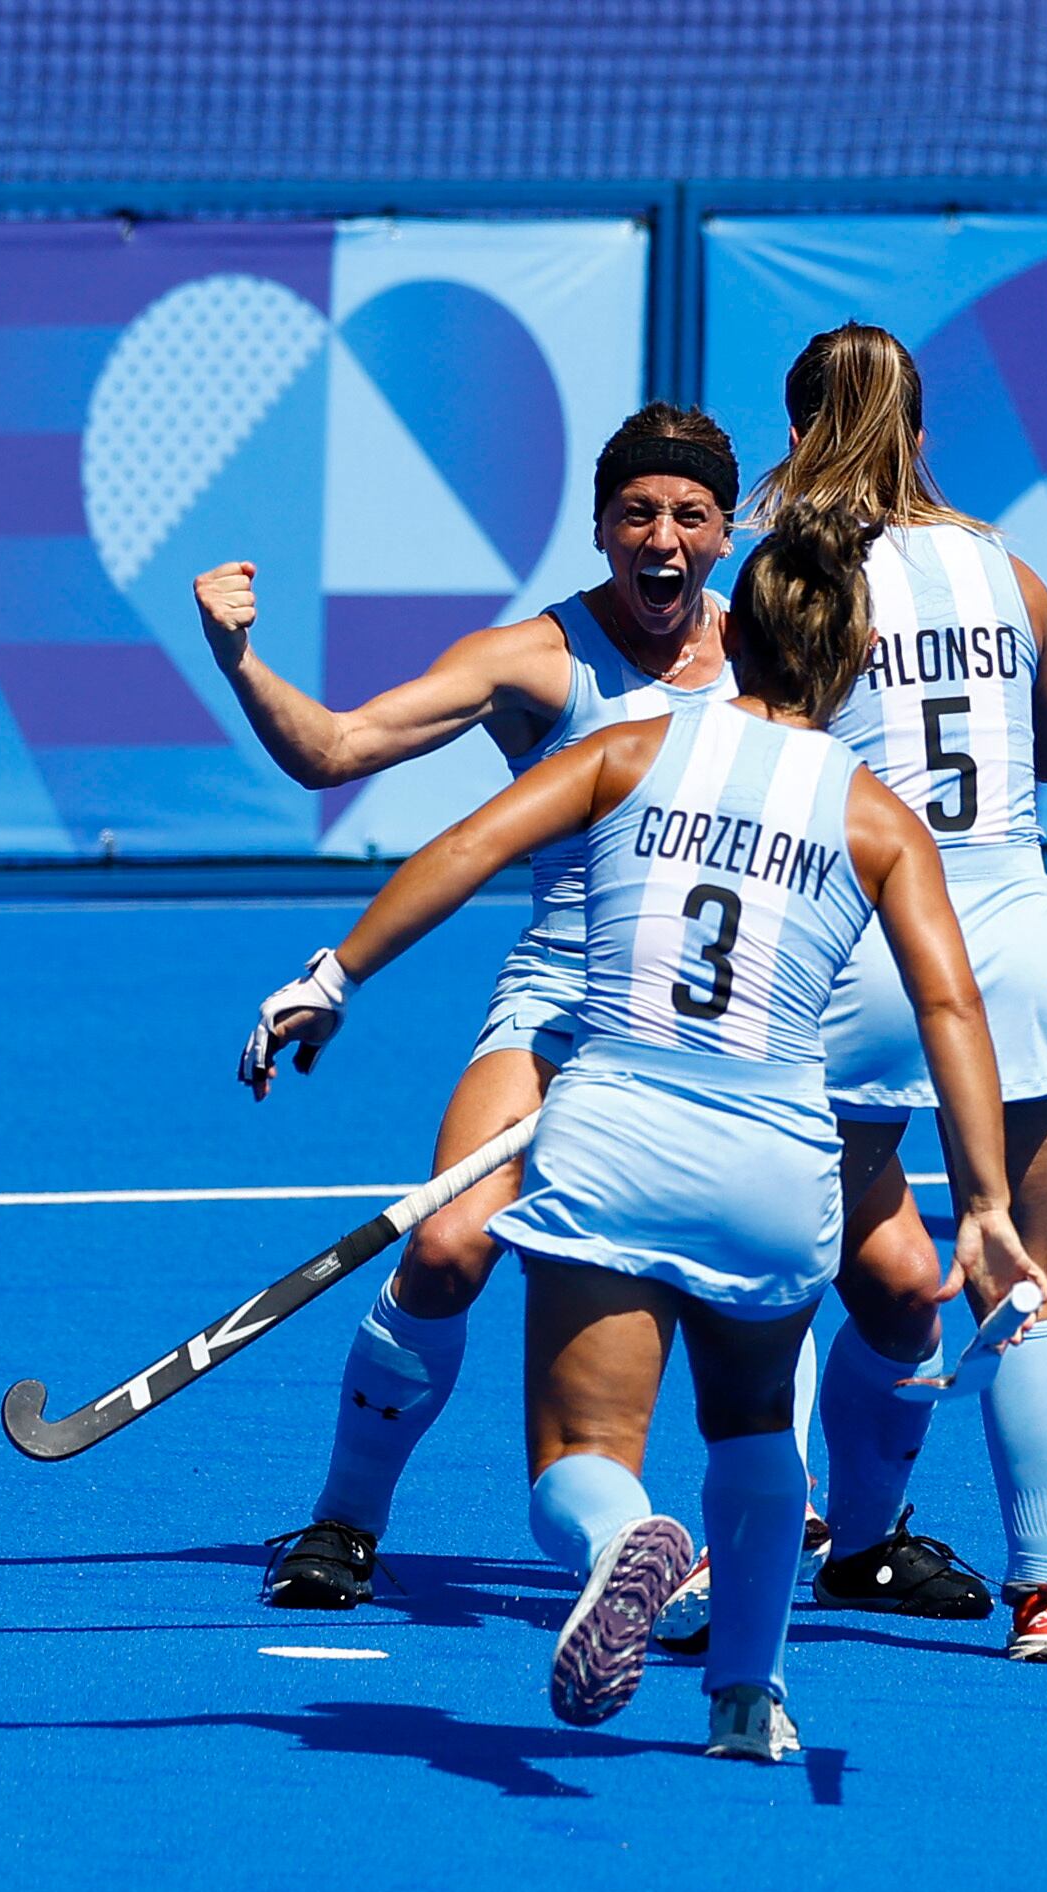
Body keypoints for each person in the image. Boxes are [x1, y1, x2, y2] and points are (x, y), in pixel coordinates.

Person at [238, 505, 1041, 1761]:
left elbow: (465, 848)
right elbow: (948, 1001)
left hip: (616, 1132)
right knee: (755, 1433)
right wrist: (986, 1206)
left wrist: (332, 975)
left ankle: (626, 1548)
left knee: (583, 1453)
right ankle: (745, 1699)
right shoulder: (879, 817)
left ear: (743, 637)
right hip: (779, 1158)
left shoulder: (630, 751)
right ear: (845, 665)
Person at [192, 404, 742, 1612]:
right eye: (637, 513)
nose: (662, 538)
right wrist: (238, 659)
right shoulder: (531, 660)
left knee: (764, 1277)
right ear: (601, 527)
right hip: (563, 1003)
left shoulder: (778, 655)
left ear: (728, 529)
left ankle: (800, 1541)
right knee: (445, 1247)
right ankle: (345, 1519)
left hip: (724, 1020)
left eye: (689, 516)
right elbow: (334, 750)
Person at [745, 323, 1047, 1666]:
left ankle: (759, 1552)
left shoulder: (788, 578)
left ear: (797, 434)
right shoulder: (1011, 575)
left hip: (858, 951)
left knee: (783, 1272)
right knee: (1016, 1273)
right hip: (1011, 948)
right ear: (920, 432)